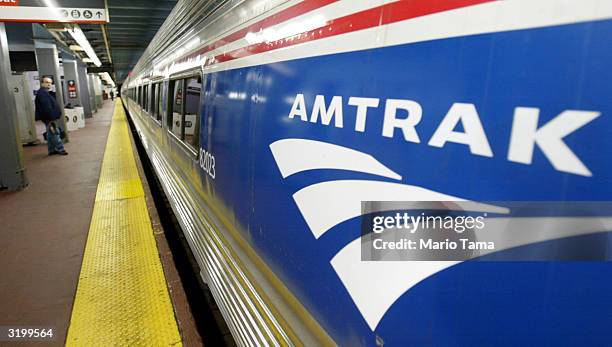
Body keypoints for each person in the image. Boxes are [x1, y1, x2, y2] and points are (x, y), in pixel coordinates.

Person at [35, 77, 68, 156]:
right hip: (49, 117)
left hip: (49, 117)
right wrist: (51, 118)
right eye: (46, 82)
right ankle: (61, 149)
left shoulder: (45, 93)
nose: (49, 84)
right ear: (42, 83)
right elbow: (47, 107)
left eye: (50, 82)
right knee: (55, 133)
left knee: (50, 134)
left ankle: (51, 150)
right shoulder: (43, 94)